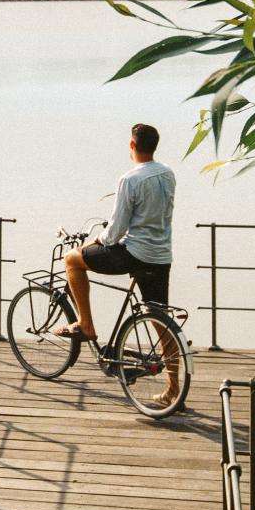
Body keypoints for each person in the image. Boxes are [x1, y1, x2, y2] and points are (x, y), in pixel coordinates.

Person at [54, 122, 179, 405]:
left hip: (134, 253)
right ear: (154, 145)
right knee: (162, 320)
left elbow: (115, 231)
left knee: (72, 259)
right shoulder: (168, 174)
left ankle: (85, 325)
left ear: (132, 145)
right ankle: (174, 390)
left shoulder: (129, 179)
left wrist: (92, 243)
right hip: (161, 255)